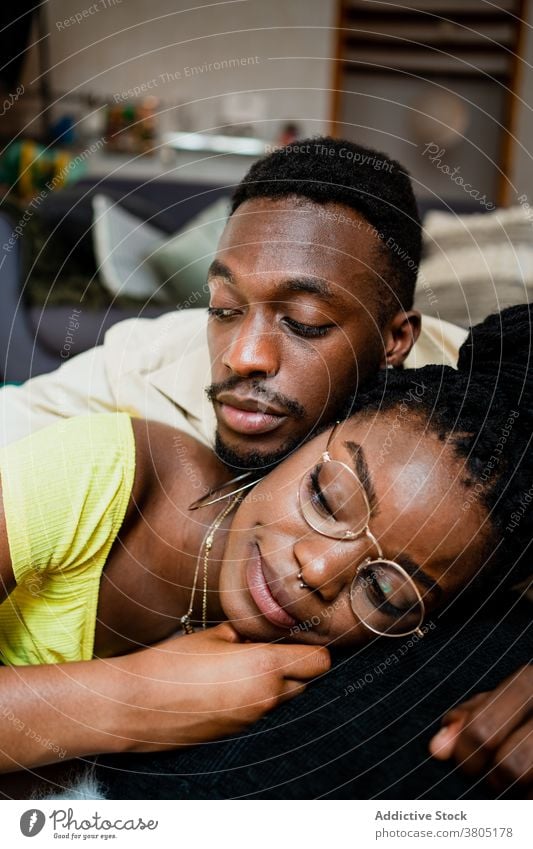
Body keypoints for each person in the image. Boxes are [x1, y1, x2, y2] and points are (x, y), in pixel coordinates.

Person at [0, 137, 528, 795]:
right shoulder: (118, 411)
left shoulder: (458, 413)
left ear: (395, 342)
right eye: (222, 307)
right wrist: (135, 699)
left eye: (305, 322)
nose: (241, 354)